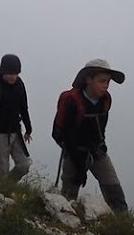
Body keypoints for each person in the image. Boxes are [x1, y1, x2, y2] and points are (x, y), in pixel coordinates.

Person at [52, 59, 129, 213]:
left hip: (96, 149)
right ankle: (66, 221)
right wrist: (80, 166)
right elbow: (66, 135)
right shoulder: (71, 100)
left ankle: (124, 222)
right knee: (69, 195)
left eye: (108, 82)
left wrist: (100, 146)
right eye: (102, 81)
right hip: (74, 150)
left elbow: (102, 126)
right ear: (88, 79)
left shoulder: (105, 100)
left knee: (112, 186)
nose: (106, 85)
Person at [0, 53, 33, 181]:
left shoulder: (19, 84)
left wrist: (28, 129)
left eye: (16, 73)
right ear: (3, 71)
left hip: (15, 131)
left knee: (24, 165)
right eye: (10, 74)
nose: (13, 77)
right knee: (2, 170)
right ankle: (1, 194)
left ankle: (6, 186)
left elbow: (24, 108)